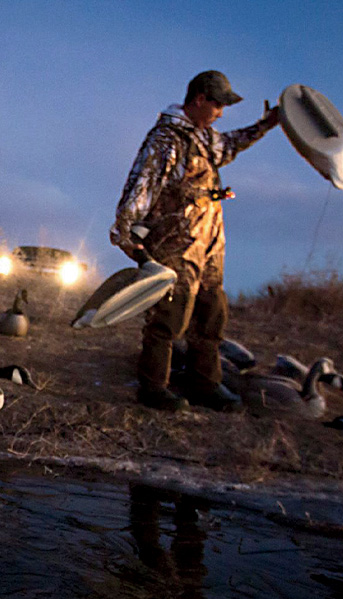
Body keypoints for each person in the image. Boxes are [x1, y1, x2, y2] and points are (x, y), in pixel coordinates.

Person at [110, 70, 278, 413]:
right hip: (175, 241)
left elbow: (230, 145)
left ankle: (206, 384)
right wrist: (126, 235)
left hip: (209, 242)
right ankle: (153, 388)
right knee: (170, 316)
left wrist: (268, 124)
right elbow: (141, 186)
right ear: (199, 99)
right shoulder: (166, 139)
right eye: (217, 105)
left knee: (212, 313)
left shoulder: (204, 137)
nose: (221, 113)